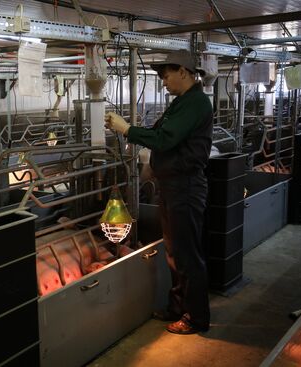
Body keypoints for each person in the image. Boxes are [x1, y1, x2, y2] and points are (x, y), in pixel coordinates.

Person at [104, 49, 213, 335]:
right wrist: (153, 165)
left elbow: (165, 139)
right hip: (173, 186)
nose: (163, 82)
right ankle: (179, 307)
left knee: (187, 255)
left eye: (166, 76)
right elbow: (163, 136)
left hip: (185, 189)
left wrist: (127, 129)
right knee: (175, 253)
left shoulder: (196, 103)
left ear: (184, 72)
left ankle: (197, 318)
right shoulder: (181, 103)